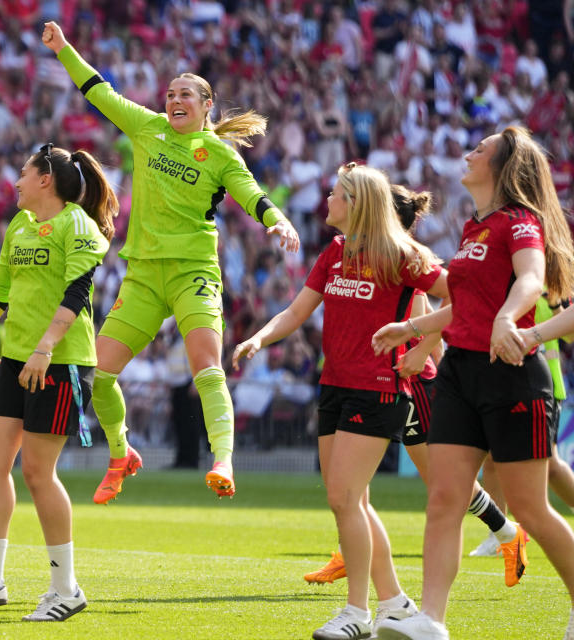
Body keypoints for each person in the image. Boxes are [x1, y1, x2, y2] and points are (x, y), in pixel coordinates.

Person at [41, 21, 300, 501]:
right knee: (99, 375)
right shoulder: (148, 128)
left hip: (193, 272)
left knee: (207, 366)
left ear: (206, 107)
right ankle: (121, 453)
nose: (174, 99)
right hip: (142, 276)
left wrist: (276, 221)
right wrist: (64, 49)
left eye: (186, 94)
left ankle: (223, 458)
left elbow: (252, 194)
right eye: (170, 93)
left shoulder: (219, 154)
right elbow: (99, 92)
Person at [374, 126, 574, 640]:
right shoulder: (471, 228)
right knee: (444, 498)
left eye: (479, 150)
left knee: (530, 506)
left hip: (511, 375)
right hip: (460, 372)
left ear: (502, 167)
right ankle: (431, 622)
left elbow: (530, 278)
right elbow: (463, 305)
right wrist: (413, 327)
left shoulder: (521, 221)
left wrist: (511, 320)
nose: (467, 153)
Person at [233, 164, 448, 640]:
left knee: (343, 498)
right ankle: (393, 602)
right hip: (334, 385)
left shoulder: (400, 254)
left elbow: (466, 296)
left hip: (377, 389)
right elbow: (296, 311)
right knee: (352, 502)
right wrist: (259, 339)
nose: (326, 198)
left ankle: (357, 613)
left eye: (335, 193)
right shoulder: (333, 252)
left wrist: (417, 340)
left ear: (356, 203)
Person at [305, 185, 518, 587]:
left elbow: (438, 313)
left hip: (409, 382)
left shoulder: (399, 259)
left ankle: (506, 531)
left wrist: (422, 350)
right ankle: (351, 552)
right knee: (354, 486)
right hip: (385, 376)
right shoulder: (367, 254)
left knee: (434, 480)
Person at [0, 143, 115, 621]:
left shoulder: (77, 223)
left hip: (60, 361)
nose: (15, 181)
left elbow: (78, 291)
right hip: (17, 359)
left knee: (38, 472)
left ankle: (67, 589)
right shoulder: (19, 225)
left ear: (45, 179)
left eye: (22, 172)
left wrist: (45, 348)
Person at [469, 292, 574, 557]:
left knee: (548, 465)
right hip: (501, 382)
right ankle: (499, 533)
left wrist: (553, 309)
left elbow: (569, 336)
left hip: (541, 384)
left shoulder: (546, 286)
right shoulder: (504, 283)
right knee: (492, 459)